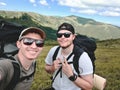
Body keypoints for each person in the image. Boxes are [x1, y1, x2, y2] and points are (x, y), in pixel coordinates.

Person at [45, 22, 93, 90]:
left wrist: (71, 75)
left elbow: (89, 87)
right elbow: (47, 68)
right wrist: (52, 68)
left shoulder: (82, 57)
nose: (63, 37)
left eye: (67, 35)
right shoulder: (53, 50)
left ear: (73, 37)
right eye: (59, 35)